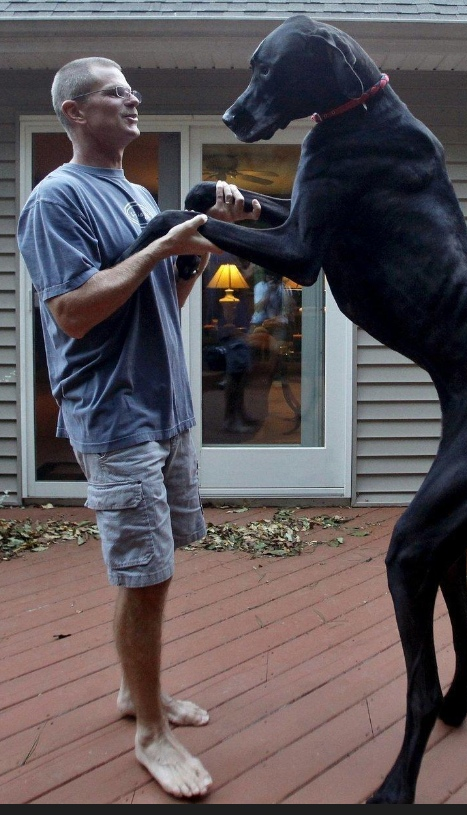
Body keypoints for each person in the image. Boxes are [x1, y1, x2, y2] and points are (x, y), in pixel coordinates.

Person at [17, 57, 261, 799]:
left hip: (166, 404)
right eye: (115, 93)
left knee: (159, 563)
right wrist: (160, 246)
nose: (133, 100)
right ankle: (149, 730)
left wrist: (190, 259)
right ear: (72, 113)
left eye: (131, 91)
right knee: (142, 570)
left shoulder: (134, 192)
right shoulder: (54, 200)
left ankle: (136, 694)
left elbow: (158, 301)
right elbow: (72, 311)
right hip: (114, 413)